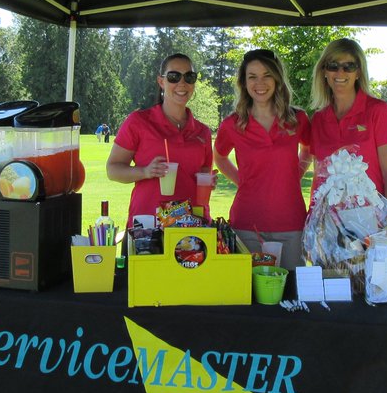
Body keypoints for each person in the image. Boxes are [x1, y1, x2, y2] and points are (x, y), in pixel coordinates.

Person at [214, 49, 310, 269]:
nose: (260, 83)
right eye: (252, 76)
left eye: (267, 75)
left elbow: (308, 149)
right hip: (247, 223)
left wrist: (295, 175)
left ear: (277, 78)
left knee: (291, 294)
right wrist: (242, 181)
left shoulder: (298, 119)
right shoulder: (232, 124)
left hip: (291, 223)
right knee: (249, 297)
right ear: (244, 82)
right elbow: (219, 156)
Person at [106, 53, 212, 224]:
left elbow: (204, 172)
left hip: (192, 225)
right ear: (161, 82)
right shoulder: (138, 122)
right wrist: (145, 171)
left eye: (189, 77)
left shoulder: (203, 132)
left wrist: (208, 180)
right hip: (148, 224)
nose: (182, 83)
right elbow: (113, 169)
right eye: (173, 77)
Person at [306, 37, 387, 207]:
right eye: (333, 66)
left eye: (348, 66)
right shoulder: (319, 119)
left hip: (369, 222)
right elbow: (318, 176)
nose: (340, 73)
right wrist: (313, 219)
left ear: (358, 72)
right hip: (328, 222)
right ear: (324, 72)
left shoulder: (378, 111)